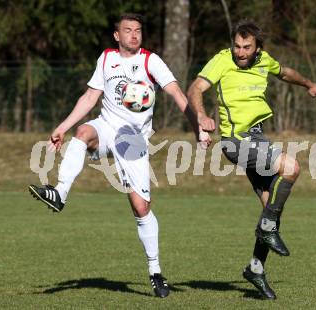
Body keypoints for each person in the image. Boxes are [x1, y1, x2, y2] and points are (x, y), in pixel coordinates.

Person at [29, 13, 209, 298]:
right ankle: (60, 193)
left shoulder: (151, 61)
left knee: (140, 208)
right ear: (117, 35)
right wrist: (61, 127)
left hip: (132, 139)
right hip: (106, 126)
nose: (134, 35)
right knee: (82, 133)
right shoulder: (106, 58)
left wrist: (197, 123)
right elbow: (90, 98)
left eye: (138, 30)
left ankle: (155, 271)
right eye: (128, 30)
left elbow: (176, 93)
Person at [187, 20, 316, 300]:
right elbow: (195, 89)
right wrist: (201, 116)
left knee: (271, 209)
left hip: (258, 139)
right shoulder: (222, 61)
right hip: (236, 141)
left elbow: (285, 73)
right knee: (291, 167)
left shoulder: (264, 61)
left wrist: (309, 84)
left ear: (258, 47)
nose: (240, 52)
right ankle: (267, 230)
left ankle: (255, 269)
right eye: (237, 46)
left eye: (246, 47)